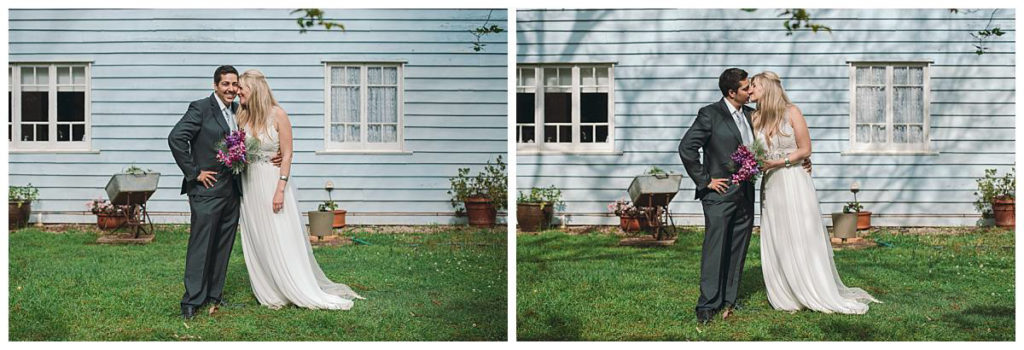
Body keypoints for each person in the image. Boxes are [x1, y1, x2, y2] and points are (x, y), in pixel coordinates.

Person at [749, 71, 880, 314]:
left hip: (794, 180)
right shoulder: (754, 117)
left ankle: (810, 285)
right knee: (777, 233)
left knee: (800, 231)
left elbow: (805, 148)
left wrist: (778, 163)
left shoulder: (792, 112)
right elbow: (753, 152)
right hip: (771, 184)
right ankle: (785, 291)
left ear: (766, 88)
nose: (750, 90)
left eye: (754, 86)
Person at [234, 69, 363, 310]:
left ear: (255, 90)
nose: (238, 92)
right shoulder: (241, 116)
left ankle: (293, 283)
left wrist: (280, 188)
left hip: (273, 182)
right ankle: (269, 288)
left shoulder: (278, 115)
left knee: (281, 234)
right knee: (259, 235)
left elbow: (288, 153)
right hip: (250, 184)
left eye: (242, 88)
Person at [168, 65, 243, 320]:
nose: (231, 89)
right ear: (215, 85)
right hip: (206, 190)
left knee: (223, 243)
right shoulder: (200, 108)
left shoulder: (236, 111)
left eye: (234, 84)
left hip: (232, 190)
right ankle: (191, 300)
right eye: (225, 84)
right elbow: (176, 138)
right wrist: (195, 172)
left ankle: (214, 294)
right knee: (201, 245)